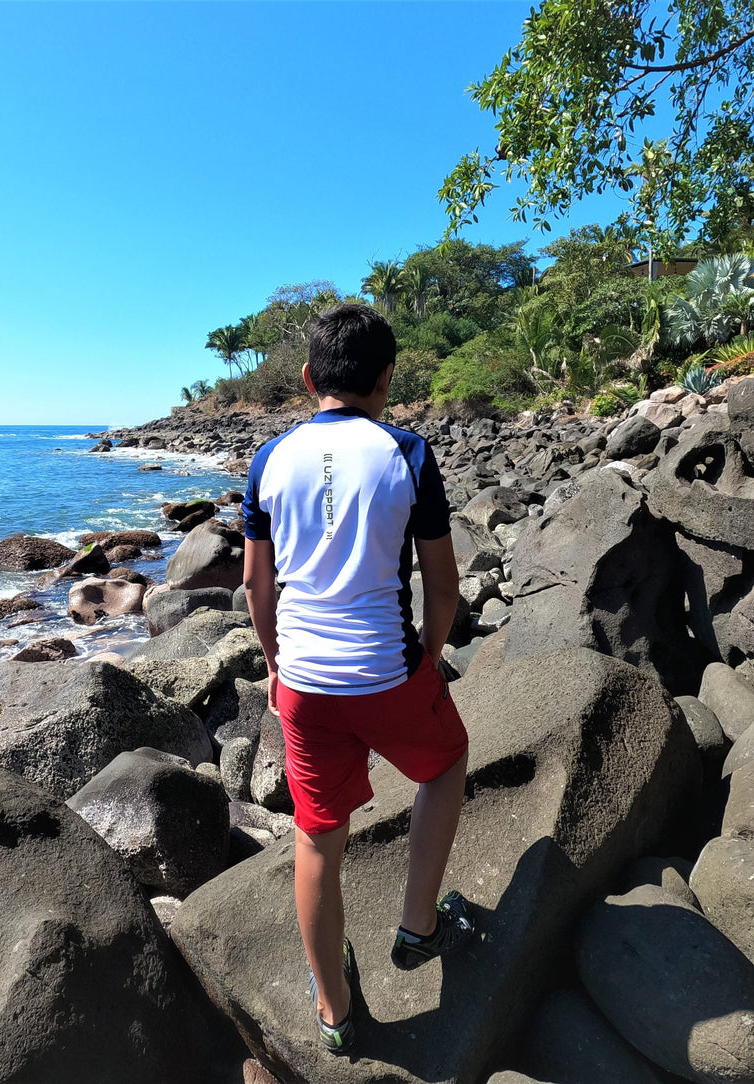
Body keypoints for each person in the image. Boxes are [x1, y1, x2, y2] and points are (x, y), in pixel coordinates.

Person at [241, 303, 472, 1055]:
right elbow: (442, 585)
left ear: (308, 378)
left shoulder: (269, 460)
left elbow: (255, 586)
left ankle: (334, 1012)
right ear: (386, 378)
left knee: (317, 837)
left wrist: (277, 668)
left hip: (304, 683)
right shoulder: (405, 451)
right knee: (443, 765)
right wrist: (430, 656)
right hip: (386, 670)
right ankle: (418, 923)